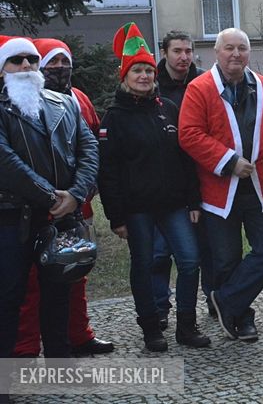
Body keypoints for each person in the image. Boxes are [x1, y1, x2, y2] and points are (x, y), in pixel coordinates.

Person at [178, 27, 263, 342]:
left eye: (242, 48)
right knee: (226, 259)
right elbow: (189, 133)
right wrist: (229, 161)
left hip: (260, 187)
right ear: (216, 52)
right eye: (229, 48)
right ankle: (241, 317)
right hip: (218, 191)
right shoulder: (199, 88)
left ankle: (225, 301)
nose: (236, 54)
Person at [98, 23, 210, 352]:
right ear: (124, 76)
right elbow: (108, 172)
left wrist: (194, 201)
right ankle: (150, 327)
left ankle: (186, 325)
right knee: (145, 265)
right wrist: (116, 217)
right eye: (137, 71)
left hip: (174, 204)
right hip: (137, 209)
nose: (144, 76)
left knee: (189, 261)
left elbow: (185, 158)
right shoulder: (114, 118)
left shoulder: (168, 109)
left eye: (148, 70)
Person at [12, 38, 114, 358]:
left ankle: (77, 337)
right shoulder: (12, 104)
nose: (59, 68)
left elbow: (90, 145)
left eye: (64, 62)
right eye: (51, 61)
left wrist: (80, 190)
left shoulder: (76, 100)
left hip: (74, 205)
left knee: (72, 273)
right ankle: (25, 350)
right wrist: (50, 196)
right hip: (28, 209)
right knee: (29, 286)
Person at [150, 31, 211, 329]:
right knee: (160, 252)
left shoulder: (203, 82)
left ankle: (213, 299)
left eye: (188, 51)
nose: (184, 57)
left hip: (201, 173)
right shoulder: (150, 83)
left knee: (204, 249)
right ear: (164, 53)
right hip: (163, 180)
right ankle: (160, 307)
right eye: (177, 51)